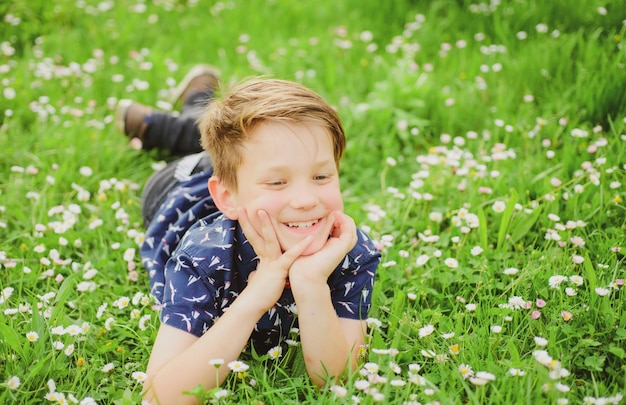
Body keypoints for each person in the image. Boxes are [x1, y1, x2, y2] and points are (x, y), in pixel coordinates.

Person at [115, 66, 381, 404]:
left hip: (237, 180)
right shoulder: (203, 255)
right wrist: (254, 296)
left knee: (235, 151)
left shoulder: (348, 249)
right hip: (180, 191)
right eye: (277, 181)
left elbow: (336, 380)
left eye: (321, 176)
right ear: (227, 198)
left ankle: (188, 111)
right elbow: (159, 396)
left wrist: (311, 282)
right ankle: (182, 118)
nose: (306, 200)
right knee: (204, 152)